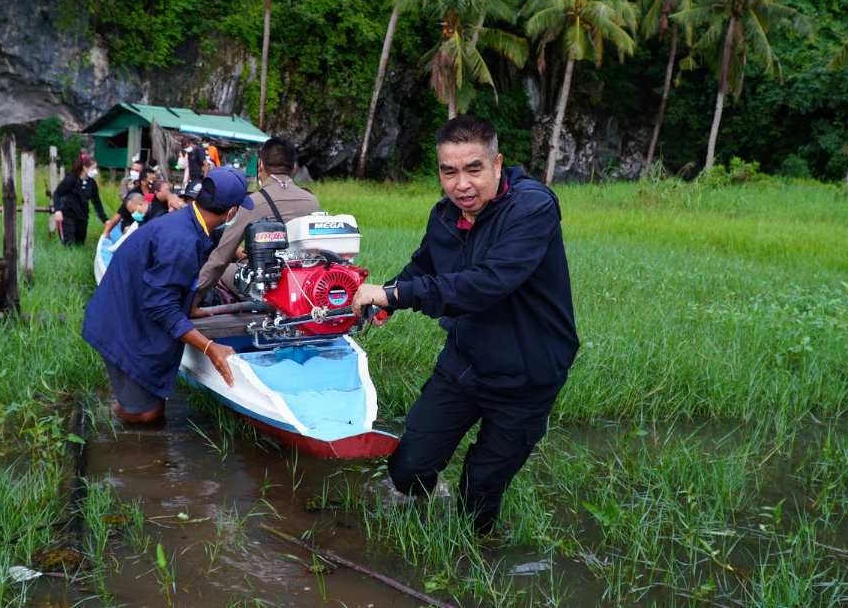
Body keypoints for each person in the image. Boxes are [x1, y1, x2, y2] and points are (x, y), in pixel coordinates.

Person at [350, 115, 579, 535]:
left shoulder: (532, 209)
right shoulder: (445, 215)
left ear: (497, 164)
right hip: (465, 361)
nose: (462, 184)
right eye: (449, 171)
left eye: (474, 168)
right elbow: (425, 264)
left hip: (527, 374)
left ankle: (474, 558)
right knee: (408, 468)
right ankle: (426, 503)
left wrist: (394, 294)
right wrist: (385, 302)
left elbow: (488, 284)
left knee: (480, 496)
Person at [82, 167, 256, 426]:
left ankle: (128, 401)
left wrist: (190, 305)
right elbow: (162, 307)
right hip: (120, 322)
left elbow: (174, 282)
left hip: (133, 309)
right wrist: (210, 348)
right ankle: (105, 415)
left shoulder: (189, 222)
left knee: (158, 402)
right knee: (147, 415)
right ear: (231, 212)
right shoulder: (181, 240)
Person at [195, 137, 320, 302]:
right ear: (294, 167)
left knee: (225, 270)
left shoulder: (253, 202)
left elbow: (221, 258)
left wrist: (193, 298)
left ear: (260, 164)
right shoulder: (312, 200)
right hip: (305, 286)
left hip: (267, 287)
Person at [53, 154, 109, 245]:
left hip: (82, 216)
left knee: (80, 243)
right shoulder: (70, 179)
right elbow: (57, 194)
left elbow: (96, 202)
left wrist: (105, 219)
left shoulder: (92, 183)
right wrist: (57, 210)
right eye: (93, 168)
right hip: (68, 214)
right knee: (69, 243)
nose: (95, 171)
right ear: (85, 168)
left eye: (96, 168)